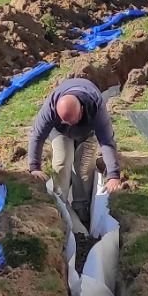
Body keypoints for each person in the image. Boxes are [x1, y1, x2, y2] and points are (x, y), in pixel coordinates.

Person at [27, 77, 122, 230]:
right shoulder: (51, 108)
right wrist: (34, 167)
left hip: (88, 132)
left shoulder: (96, 108)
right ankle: (61, 207)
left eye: (73, 121)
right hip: (60, 132)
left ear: (81, 110)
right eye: (66, 121)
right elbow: (37, 136)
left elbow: (106, 141)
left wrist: (113, 175)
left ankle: (82, 207)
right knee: (62, 162)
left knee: (83, 168)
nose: (70, 124)